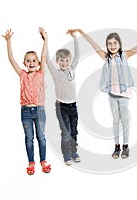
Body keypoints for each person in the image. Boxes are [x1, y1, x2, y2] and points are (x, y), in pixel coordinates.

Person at [69, 29, 137, 159]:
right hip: (112, 94)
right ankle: (117, 147)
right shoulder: (106, 57)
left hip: (124, 94)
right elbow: (92, 43)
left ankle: (125, 147)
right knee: (116, 121)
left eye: (115, 43)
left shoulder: (124, 55)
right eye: (109, 43)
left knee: (125, 121)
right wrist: (80, 32)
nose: (112, 46)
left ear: (119, 44)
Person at [2, 28, 51, 175]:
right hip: (25, 111)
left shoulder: (41, 73)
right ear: (24, 63)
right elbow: (11, 59)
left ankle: (43, 161)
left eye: (34, 60)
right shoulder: (22, 74)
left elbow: (43, 54)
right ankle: (31, 162)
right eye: (28, 61)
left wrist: (46, 39)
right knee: (29, 138)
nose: (31, 62)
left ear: (38, 63)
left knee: (41, 137)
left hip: (39, 110)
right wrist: (8, 41)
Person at [46, 30, 81, 166]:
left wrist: (75, 38)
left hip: (73, 105)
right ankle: (66, 154)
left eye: (67, 60)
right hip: (62, 107)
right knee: (66, 133)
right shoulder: (55, 73)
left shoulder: (72, 68)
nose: (65, 63)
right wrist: (46, 40)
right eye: (62, 61)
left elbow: (77, 53)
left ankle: (74, 151)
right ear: (58, 61)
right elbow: (47, 59)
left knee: (74, 131)